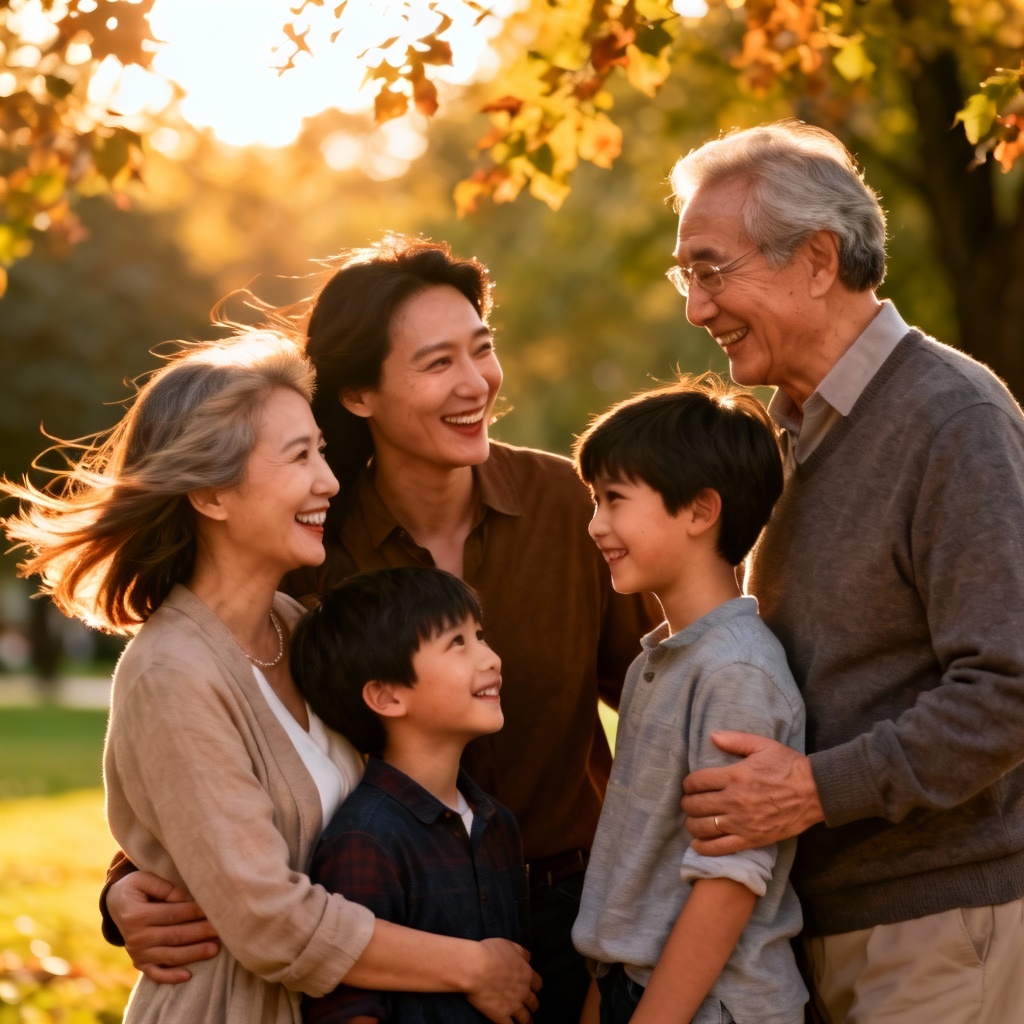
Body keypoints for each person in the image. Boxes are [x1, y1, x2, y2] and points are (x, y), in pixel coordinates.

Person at [101, 235, 655, 1023]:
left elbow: (662, 687)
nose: (476, 384)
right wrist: (126, 882)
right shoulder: (306, 558)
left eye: (483, 350)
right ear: (359, 393)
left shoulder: (570, 506)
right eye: (437, 363)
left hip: (572, 915)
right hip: (400, 930)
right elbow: (218, 762)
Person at [0, 332, 538, 1024]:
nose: (330, 481)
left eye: (321, 450)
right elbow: (269, 919)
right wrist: (473, 966)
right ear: (212, 494)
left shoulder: (299, 627)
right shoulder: (171, 673)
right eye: (300, 457)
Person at [671, 120, 1024, 1023]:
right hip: (824, 928)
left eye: (712, 271)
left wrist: (815, 790)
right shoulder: (790, 435)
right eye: (689, 277)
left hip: (942, 927)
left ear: (817, 260)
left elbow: (1010, 689)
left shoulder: (953, 418)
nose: (696, 308)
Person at [570, 377, 807, 1024]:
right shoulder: (661, 662)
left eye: (614, 500)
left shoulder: (735, 672)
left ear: (701, 511)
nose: (596, 525)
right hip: (638, 994)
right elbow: (632, 880)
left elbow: (727, 884)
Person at [292, 566, 529, 1024]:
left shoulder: (496, 822)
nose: (491, 657)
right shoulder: (365, 841)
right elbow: (346, 1007)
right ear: (386, 697)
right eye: (457, 643)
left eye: (479, 635)